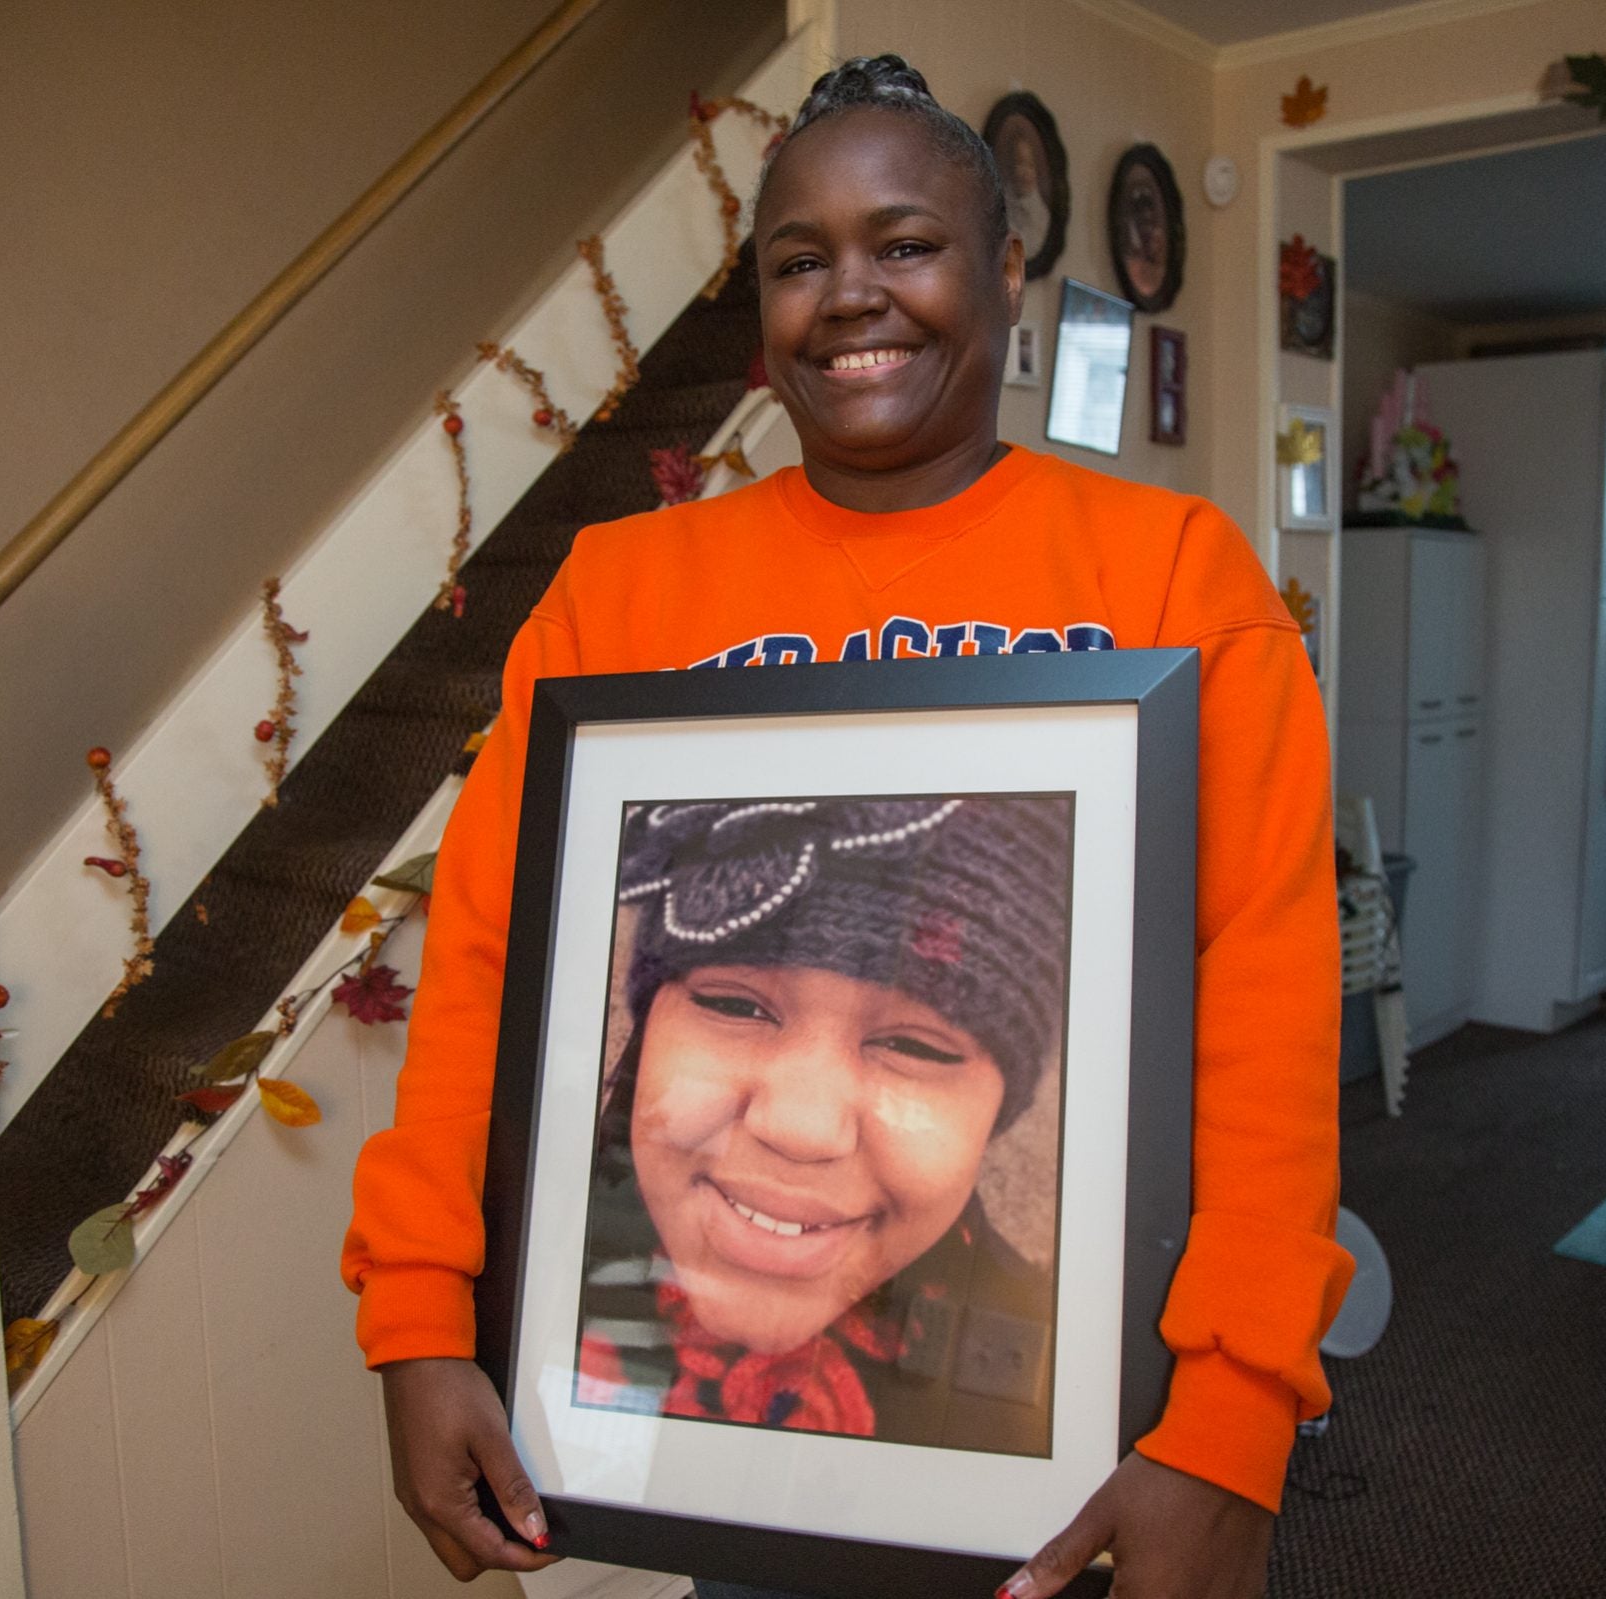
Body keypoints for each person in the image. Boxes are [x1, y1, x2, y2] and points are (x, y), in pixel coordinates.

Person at [342, 54, 1350, 1599]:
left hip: (1083, 1441)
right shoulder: (619, 594)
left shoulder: (1173, 581)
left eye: (904, 244)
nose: (848, 295)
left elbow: (1262, 1017)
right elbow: (484, 965)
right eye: (797, 261)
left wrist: (1226, 1423)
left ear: (1006, 268)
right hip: (739, 1476)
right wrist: (419, 1320)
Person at [575, 796, 1072, 1457]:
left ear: (997, 1110)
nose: (799, 1127)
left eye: (916, 1046)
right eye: (732, 1003)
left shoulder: (1052, 1403)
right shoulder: (533, 1270)